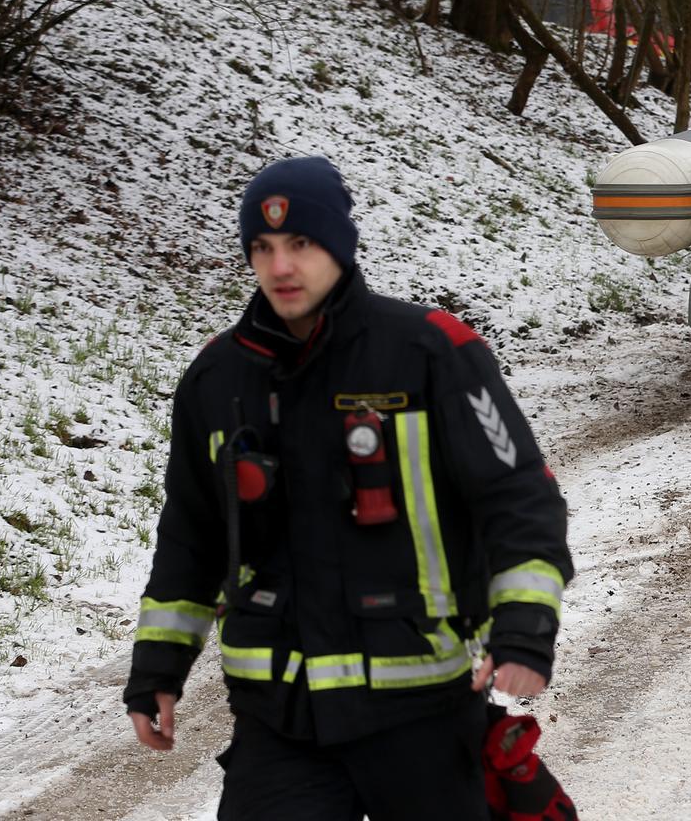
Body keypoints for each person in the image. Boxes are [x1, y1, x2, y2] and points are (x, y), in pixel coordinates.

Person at [123, 155, 573, 820]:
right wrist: (157, 670)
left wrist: (526, 631)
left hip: (422, 714)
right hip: (279, 725)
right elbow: (191, 535)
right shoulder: (215, 380)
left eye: (300, 243)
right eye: (263, 247)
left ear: (339, 244)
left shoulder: (431, 353)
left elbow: (519, 497)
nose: (280, 267)